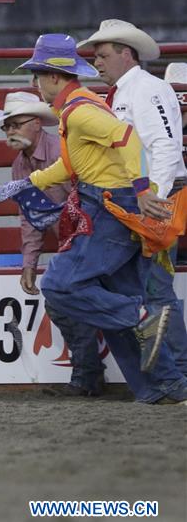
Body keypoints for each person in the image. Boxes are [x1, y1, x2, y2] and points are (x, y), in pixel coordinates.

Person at [11, 33, 186, 404]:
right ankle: (167, 385)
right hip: (126, 201)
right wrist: (31, 182)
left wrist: (146, 191)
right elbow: (78, 162)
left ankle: (150, 338)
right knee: (124, 293)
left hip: (123, 203)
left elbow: (131, 140)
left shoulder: (88, 107)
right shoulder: (90, 103)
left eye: (37, 76)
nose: (34, 84)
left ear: (53, 77)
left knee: (66, 286)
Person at [79, 21, 187, 378]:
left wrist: (154, 198)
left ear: (126, 54)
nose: (97, 63)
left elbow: (165, 146)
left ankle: (179, 372)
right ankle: (173, 373)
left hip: (152, 196)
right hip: (142, 196)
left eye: (102, 55)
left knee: (154, 288)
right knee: (149, 287)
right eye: (95, 57)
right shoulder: (132, 91)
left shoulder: (144, 90)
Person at [0, 92, 103, 397]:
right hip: (80, 242)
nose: (10, 131)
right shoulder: (20, 165)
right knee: (67, 298)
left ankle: (88, 375)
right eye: (7, 126)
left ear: (36, 123)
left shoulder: (62, 152)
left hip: (93, 238)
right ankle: (90, 374)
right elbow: (30, 216)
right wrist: (29, 264)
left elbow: (87, 198)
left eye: (16, 124)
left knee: (63, 296)